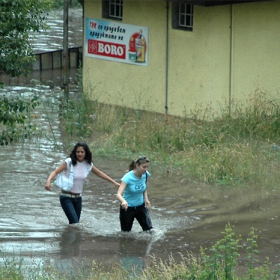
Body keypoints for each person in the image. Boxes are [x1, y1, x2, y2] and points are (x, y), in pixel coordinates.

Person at [45, 142, 120, 224]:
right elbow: (55, 172)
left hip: (78, 198)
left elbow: (99, 173)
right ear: (75, 152)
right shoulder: (69, 162)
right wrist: (48, 181)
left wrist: (114, 182)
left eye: (82, 152)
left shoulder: (88, 164)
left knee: (75, 223)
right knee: (75, 223)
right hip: (66, 197)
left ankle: (69, 236)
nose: (80, 154)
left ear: (85, 153)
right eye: (78, 152)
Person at [116, 156, 153, 232]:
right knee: (126, 234)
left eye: (147, 167)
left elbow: (144, 186)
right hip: (127, 208)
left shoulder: (145, 174)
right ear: (137, 166)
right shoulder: (127, 177)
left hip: (141, 206)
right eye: (144, 167)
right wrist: (123, 201)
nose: (146, 169)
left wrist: (146, 198)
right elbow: (118, 194)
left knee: (149, 231)